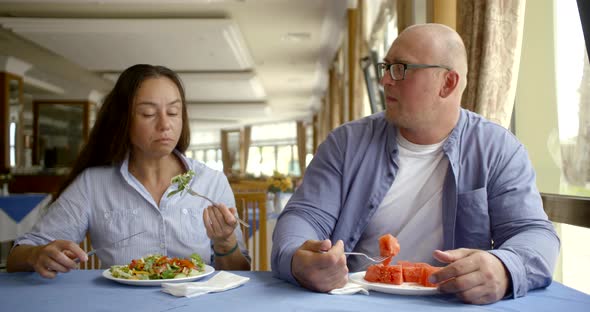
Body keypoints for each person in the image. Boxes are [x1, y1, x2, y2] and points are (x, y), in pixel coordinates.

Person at [271, 23, 560, 304]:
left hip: (452, 303)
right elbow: (304, 217)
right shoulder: (346, 144)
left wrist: (503, 268)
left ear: (448, 83)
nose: (385, 80)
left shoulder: (498, 150)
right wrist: (299, 259)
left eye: (401, 68)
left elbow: (534, 234)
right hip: (357, 299)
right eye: (386, 67)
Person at [7, 64, 251, 278]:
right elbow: (17, 256)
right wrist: (37, 255)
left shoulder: (211, 182)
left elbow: (240, 274)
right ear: (123, 119)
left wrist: (225, 242)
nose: (165, 124)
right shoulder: (94, 184)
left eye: (174, 112)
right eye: (148, 113)